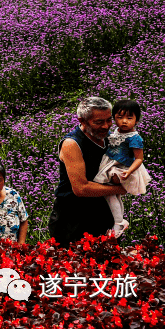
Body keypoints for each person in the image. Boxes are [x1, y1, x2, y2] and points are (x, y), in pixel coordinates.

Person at [49, 97, 126, 246]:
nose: (106, 126)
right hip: (73, 219)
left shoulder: (110, 140)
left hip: (104, 215)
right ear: (82, 121)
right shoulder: (72, 144)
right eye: (98, 122)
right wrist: (120, 189)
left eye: (109, 120)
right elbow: (81, 188)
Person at [93, 99, 151, 237]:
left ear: (137, 120)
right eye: (120, 117)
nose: (124, 121)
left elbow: (139, 158)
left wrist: (129, 171)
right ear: (114, 119)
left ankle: (118, 222)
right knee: (113, 194)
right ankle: (119, 221)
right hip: (112, 164)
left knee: (109, 192)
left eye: (129, 118)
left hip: (123, 168)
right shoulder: (118, 131)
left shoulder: (134, 138)